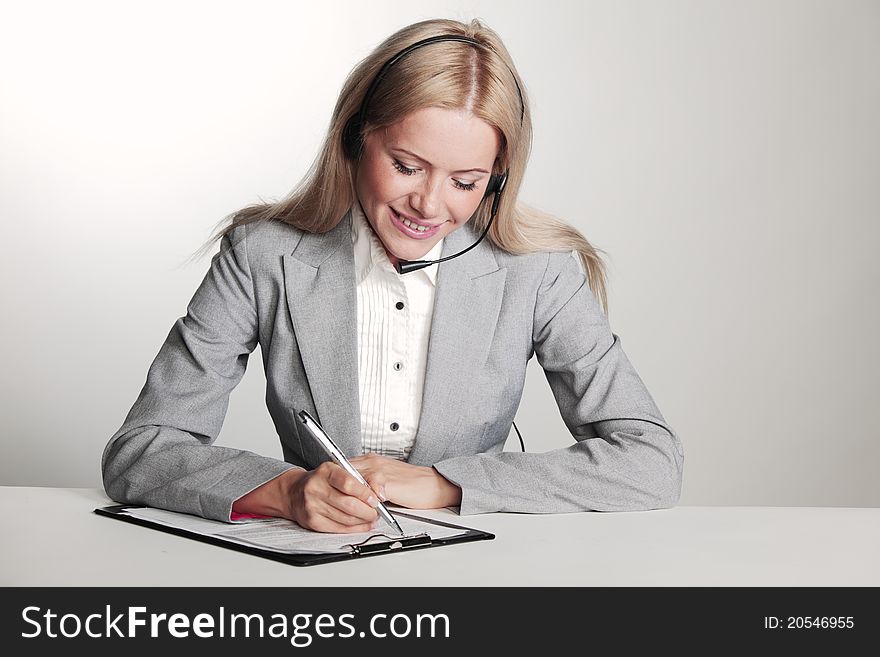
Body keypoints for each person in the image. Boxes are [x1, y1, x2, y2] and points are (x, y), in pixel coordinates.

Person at [102, 18, 684, 534]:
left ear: (498, 180)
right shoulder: (263, 253)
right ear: (355, 140)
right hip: (317, 574)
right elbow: (141, 451)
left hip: (480, 572)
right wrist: (286, 492)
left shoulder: (539, 271)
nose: (430, 206)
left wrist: (443, 485)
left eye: (465, 181)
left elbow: (651, 462)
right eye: (406, 166)